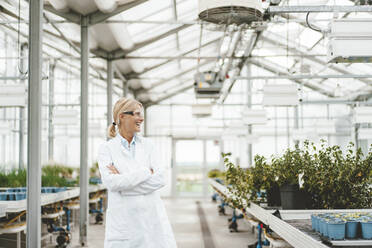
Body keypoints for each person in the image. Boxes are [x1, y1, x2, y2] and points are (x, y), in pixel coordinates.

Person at [97, 97, 177, 248]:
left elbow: (160, 179)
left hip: (151, 221)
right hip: (123, 223)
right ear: (122, 116)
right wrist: (146, 172)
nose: (141, 118)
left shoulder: (149, 145)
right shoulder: (106, 149)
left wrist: (124, 187)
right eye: (136, 114)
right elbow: (111, 183)